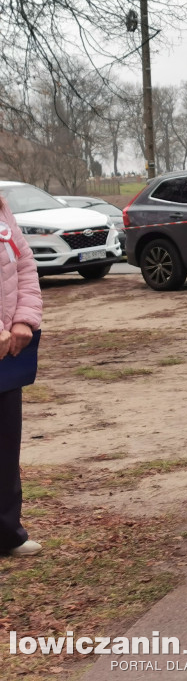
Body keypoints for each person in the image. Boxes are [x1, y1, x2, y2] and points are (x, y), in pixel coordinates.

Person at [0, 198, 43, 558]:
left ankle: (6, 532)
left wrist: (22, 321)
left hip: (7, 350)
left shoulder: (2, 209)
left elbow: (25, 266)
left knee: (5, 442)